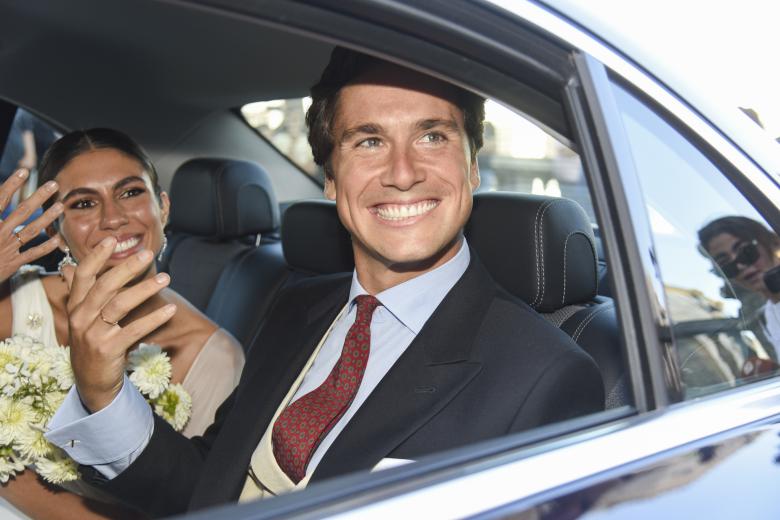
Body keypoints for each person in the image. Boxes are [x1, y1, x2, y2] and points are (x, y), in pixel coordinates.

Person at [45, 49, 605, 517]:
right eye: (368, 141)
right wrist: (102, 391)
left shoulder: (546, 377)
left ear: (473, 165)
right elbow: (206, 487)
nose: (403, 172)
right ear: (331, 179)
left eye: (432, 136)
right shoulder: (297, 305)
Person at [0, 129, 245, 519]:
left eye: (131, 193)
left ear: (162, 208)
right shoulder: (14, 300)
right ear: (55, 233)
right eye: (83, 203)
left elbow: (190, 502)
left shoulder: (211, 355)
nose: (113, 218)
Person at [698, 215, 780, 361]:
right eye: (726, 264)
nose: (741, 265)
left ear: (772, 243)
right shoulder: (769, 313)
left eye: (746, 252)